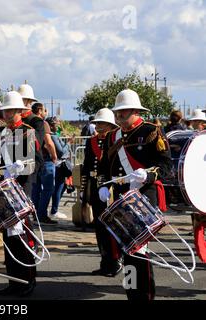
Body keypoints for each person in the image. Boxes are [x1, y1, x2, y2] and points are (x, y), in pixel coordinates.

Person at [97, 89, 171, 301]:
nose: (119, 116)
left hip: (143, 198)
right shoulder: (113, 136)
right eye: (117, 112)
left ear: (135, 111)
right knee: (126, 251)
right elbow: (103, 166)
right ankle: (132, 294)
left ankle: (144, 296)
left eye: (123, 112)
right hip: (121, 200)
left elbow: (166, 166)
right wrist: (103, 185)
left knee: (139, 250)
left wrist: (147, 175)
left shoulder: (151, 131)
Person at [0, 91, 38, 297]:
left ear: (19, 111)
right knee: (8, 238)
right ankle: (14, 280)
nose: (9, 113)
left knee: (23, 237)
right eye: (6, 110)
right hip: (3, 189)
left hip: (20, 189)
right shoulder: (0, 132)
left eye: (12, 110)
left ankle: (28, 280)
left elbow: (34, 162)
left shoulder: (27, 131)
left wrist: (23, 166)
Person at [80, 108, 122, 277]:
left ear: (111, 125)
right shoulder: (91, 142)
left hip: (110, 186)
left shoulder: (115, 141)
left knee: (110, 226)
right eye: (97, 123)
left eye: (102, 123)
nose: (99, 126)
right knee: (99, 226)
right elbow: (87, 165)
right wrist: (84, 189)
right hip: (96, 185)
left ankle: (115, 260)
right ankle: (105, 261)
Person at [30, 102, 58, 224]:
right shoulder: (43, 123)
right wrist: (54, 156)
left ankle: (35, 214)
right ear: (40, 110)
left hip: (33, 159)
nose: (46, 113)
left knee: (35, 189)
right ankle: (42, 214)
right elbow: (49, 142)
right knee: (48, 189)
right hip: (45, 160)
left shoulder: (29, 121)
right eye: (45, 110)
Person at [47, 117, 70, 220]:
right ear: (51, 126)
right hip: (58, 165)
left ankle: (54, 209)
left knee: (63, 186)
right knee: (58, 188)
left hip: (57, 165)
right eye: (57, 125)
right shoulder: (53, 136)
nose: (58, 127)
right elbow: (61, 151)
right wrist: (69, 143)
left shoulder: (54, 135)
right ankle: (54, 210)